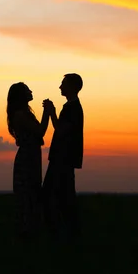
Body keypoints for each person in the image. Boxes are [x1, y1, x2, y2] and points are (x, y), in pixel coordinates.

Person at [42, 73, 84, 241]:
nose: (60, 87)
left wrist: (51, 112)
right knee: (64, 197)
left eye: (63, 84)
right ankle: (68, 232)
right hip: (64, 159)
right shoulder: (72, 107)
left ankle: (61, 233)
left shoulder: (72, 109)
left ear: (72, 87)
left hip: (63, 159)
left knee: (52, 195)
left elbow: (60, 129)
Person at [6, 82, 50, 241]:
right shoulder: (20, 115)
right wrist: (48, 112)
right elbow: (40, 131)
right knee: (27, 196)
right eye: (27, 90)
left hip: (31, 156)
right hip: (27, 158)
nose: (31, 91)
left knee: (32, 195)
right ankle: (26, 234)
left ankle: (29, 232)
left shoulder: (23, 113)